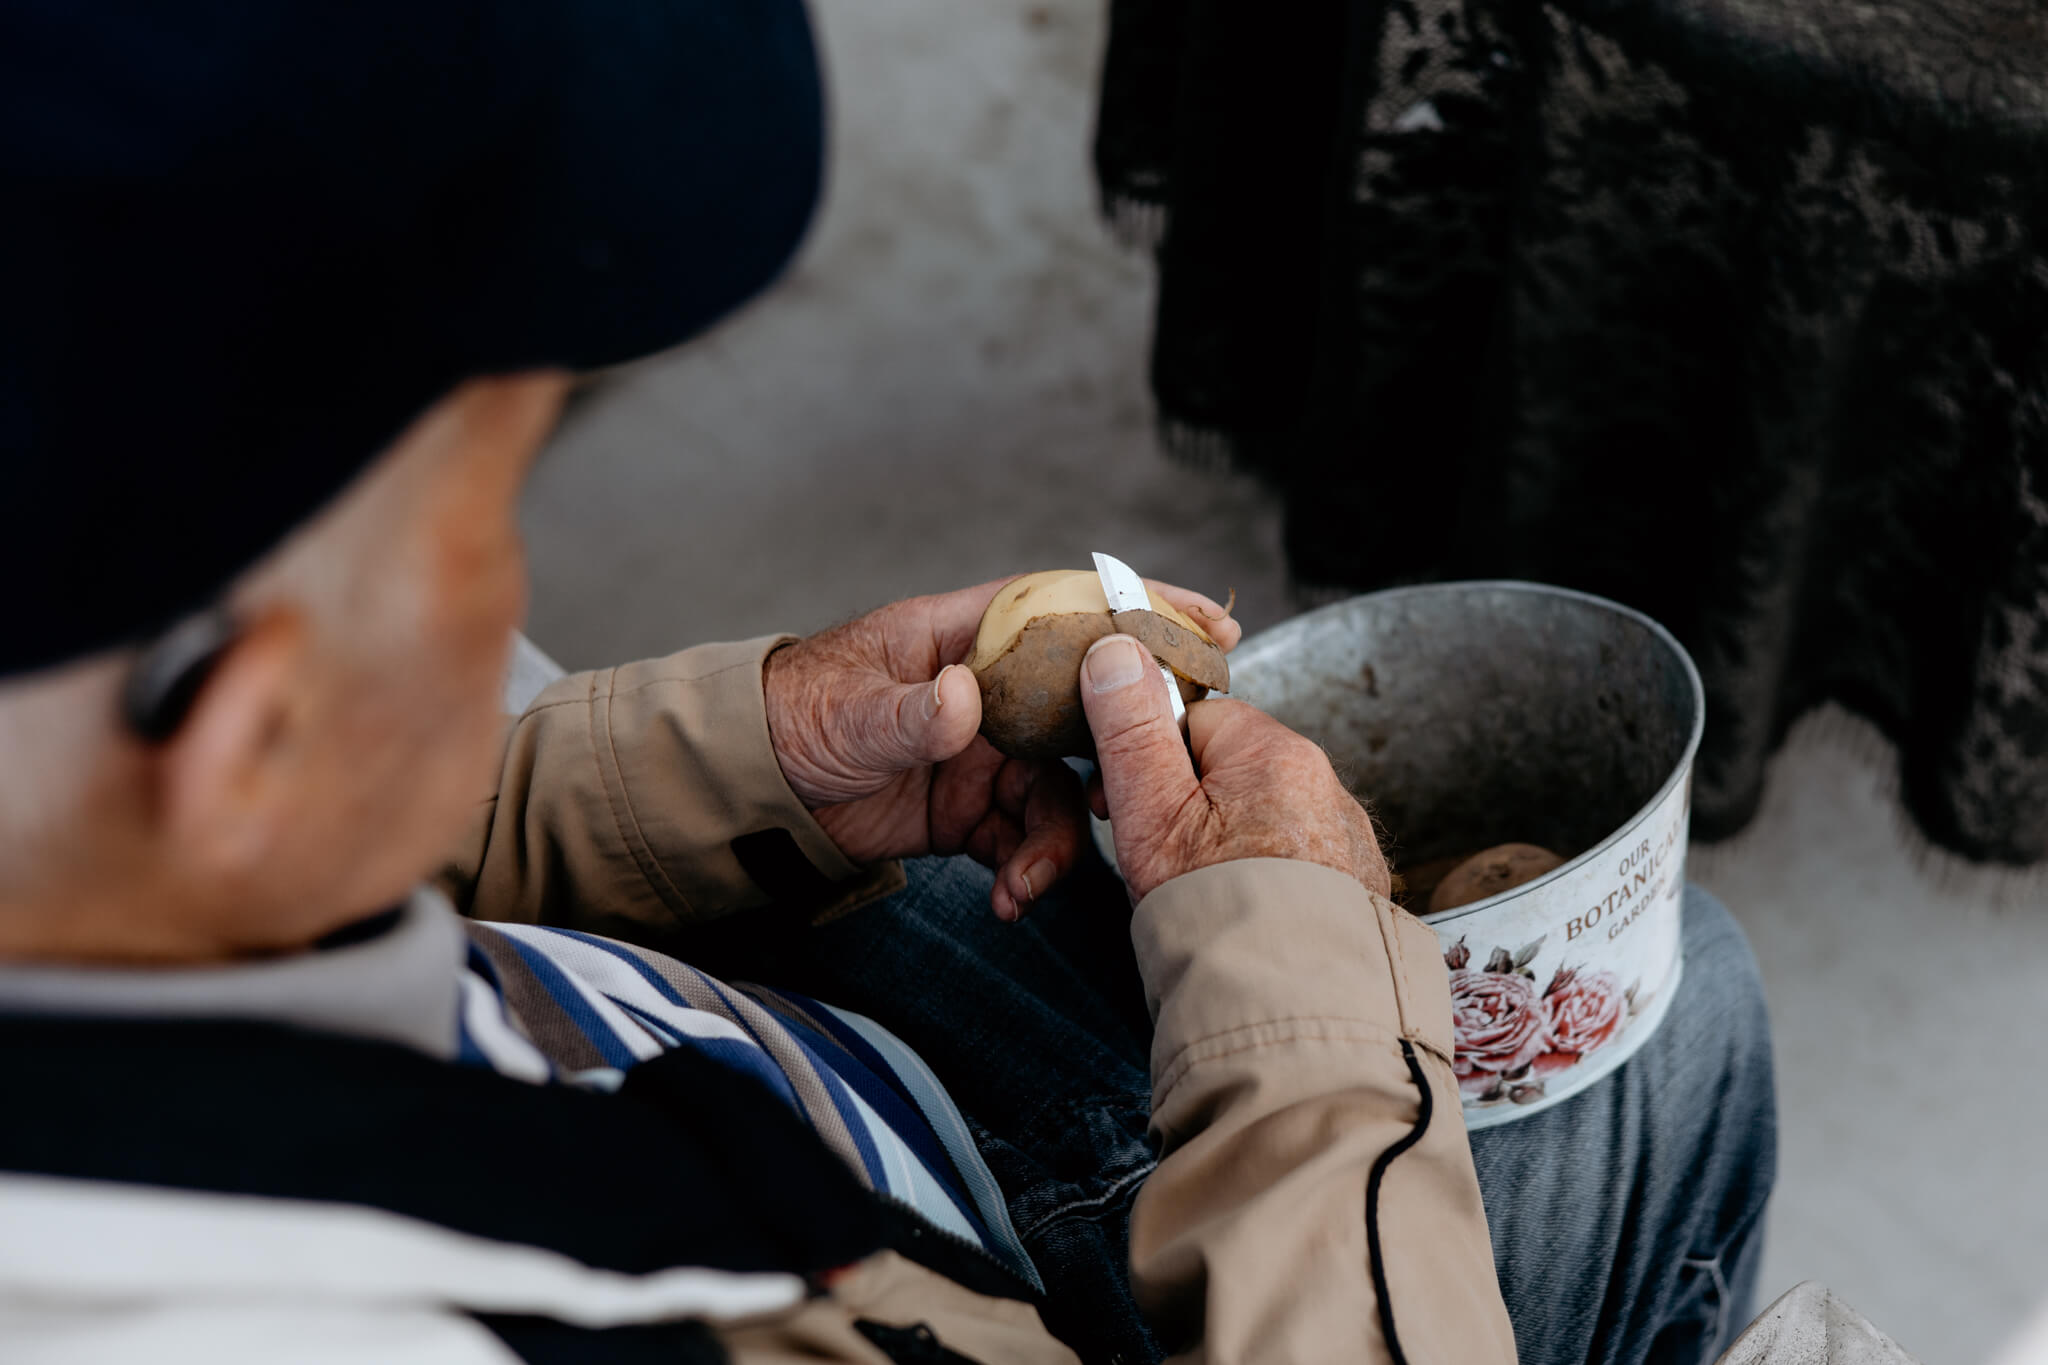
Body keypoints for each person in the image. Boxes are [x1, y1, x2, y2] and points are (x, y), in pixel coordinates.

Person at [0, 2, 1774, 1362]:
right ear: (253, 736)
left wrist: (730, 761)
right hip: (934, 1269)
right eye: (482, 520)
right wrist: (1310, 1048)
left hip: (715, 1070)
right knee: (1685, 1031)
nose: (513, 582)